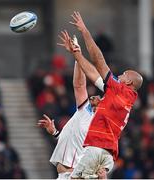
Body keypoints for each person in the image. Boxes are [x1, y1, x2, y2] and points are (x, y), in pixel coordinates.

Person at [58, 11, 143, 179]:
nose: (120, 75)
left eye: (124, 74)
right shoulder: (122, 96)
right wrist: (76, 54)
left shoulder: (121, 90)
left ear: (129, 83)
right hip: (107, 154)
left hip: (96, 148)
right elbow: (92, 73)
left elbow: (98, 61)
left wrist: (84, 31)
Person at [38, 32, 106, 179]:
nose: (97, 96)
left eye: (101, 97)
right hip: (63, 175)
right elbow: (79, 85)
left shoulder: (100, 126)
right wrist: (77, 56)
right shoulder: (85, 110)